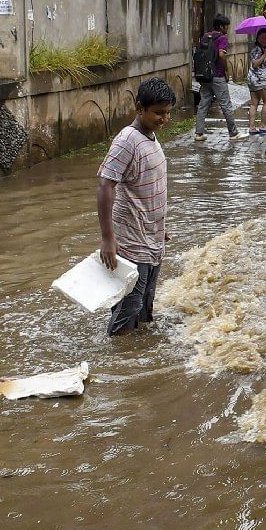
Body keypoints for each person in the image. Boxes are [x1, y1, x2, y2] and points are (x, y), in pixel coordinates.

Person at [98, 77, 173, 336]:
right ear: (139, 108)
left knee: (143, 310)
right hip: (131, 243)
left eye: (167, 113)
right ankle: (119, 362)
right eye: (158, 113)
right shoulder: (126, 141)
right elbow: (105, 185)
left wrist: (160, 226)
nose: (164, 118)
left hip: (151, 239)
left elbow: (150, 186)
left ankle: (137, 360)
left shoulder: (150, 137)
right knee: (126, 313)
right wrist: (108, 239)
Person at [194, 14, 243, 142]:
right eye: (226, 26)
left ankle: (199, 133)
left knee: (203, 104)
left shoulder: (205, 36)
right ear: (221, 26)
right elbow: (221, 55)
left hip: (205, 76)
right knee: (226, 104)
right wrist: (226, 70)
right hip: (218, 75)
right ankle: (233, 133)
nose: (227, 28)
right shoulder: (222, 38)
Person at [247, 29, 266, 135]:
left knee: (254, 103)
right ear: (257, 38)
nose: (265, 40)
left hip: (252, 79)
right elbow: (255, 64)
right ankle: (263, 125)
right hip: (259, 79)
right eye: (262, 37)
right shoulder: (258, 50)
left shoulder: (261, 48)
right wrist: (264, 55)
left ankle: (252, 127)